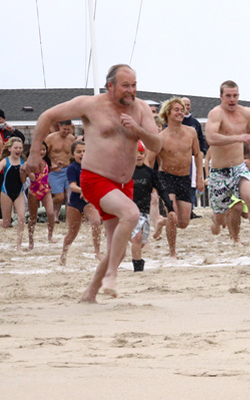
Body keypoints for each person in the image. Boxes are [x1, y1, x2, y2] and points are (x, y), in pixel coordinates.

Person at [25, 64, 161, 303]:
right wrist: (34, 153)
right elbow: (47, 116)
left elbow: (157, 145)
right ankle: (111, 275)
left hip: (123, 184)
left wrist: (137, 128)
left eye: (134, 85)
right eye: (125, 85)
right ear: (110, 86)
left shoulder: (140, 109)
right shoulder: (90, 104)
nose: (131, 91)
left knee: (115, 250)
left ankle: (89, 295)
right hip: (95, 178)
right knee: (131, 214)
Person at [205, 80, 250, 260]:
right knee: (220, 219)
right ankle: (216, 219)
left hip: (238, 167)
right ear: (221, 96)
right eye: (228, 96)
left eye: (235, 95)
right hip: (219, 172)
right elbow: (211, 137)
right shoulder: (216, 114)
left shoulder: (245, 113)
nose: (232, 99)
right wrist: (236, 138)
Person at [145, 97, 203, 259]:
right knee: (172, 214)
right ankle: (172, 252)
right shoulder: (161, 137)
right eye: (176, 109)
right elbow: (149, 160)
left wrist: (199, 177)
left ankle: (161, 223)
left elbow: (198, 154)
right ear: (168, 113)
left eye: (182, 109)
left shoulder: (191, 132)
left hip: (184, 178)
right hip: (166, 178)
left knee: (183, 223)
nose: (180, 112)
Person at [131, 141, 175, 272]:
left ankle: (135, 256)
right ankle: (138, 268)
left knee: (141, 241)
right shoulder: (125, 172)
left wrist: (170, 209)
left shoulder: (150, 173)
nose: (139, 156)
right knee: (137, 238)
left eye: (141, 153)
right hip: (129, 212)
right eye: (136, 153)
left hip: (144, 212)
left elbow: (162, 191)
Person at [60, 141, 103, 265]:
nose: (82, 154)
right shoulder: (72, 168)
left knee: (95, 221)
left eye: (85, 151)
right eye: (79, 152)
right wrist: (83, 190)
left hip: (89, 201)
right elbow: (72, 186)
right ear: (73, 155)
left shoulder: (93, 167)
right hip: (74, 202)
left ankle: (97, 252)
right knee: (72, 232)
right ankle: (63, 255)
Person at [0, 137, 27, 251]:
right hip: (6, 193)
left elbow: (23, 180)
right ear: (10, 148)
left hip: (19, 193)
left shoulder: (23, 162)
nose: (18, 150)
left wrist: (25, 172)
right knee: (6, 224)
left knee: (22, 218)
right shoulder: (5, 161)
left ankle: (19, 246)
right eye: (16, 147)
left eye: (20, 148)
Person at [26, 141, 56, 249]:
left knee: (51, 213)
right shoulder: (30, 163)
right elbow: (26, 171)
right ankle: (31, 239)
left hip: (45, 190)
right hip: (33, 191)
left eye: (44, 149)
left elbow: (47, 171)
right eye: (40, 149)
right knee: (33, 218)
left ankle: (50, 235)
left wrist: (57, 167)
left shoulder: (46, 161)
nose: (42, 151)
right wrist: (29, 174)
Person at [46, 120, 76, 223]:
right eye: (65, 129)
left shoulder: (72, 139)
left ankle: (68, 218)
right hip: (55, 171)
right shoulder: (50, 138)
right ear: (59, 126)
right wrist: (52, 165)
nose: (67, 131)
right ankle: (52, 211)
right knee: (59, 197)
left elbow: (74, 154)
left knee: (69, 196)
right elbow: (44, 154)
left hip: (68, 169)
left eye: (69, 129)